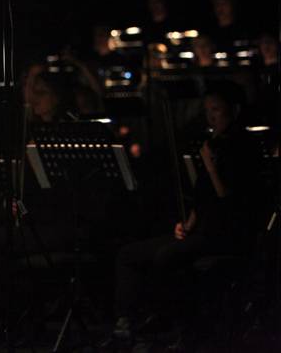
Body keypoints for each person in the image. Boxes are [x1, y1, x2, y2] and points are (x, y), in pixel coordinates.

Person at [109, 83, 262, 343]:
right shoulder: (212, 143)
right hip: (202, 229)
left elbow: (229, 201)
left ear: (233, 111)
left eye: (216, 110)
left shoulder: (244, 146)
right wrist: (187, 224)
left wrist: (212, 167)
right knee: (128, 254)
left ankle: (172, 323)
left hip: (226, 232)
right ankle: (128, 320)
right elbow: (202, 199)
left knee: (167, 257)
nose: (210, 117)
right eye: (207, 111)